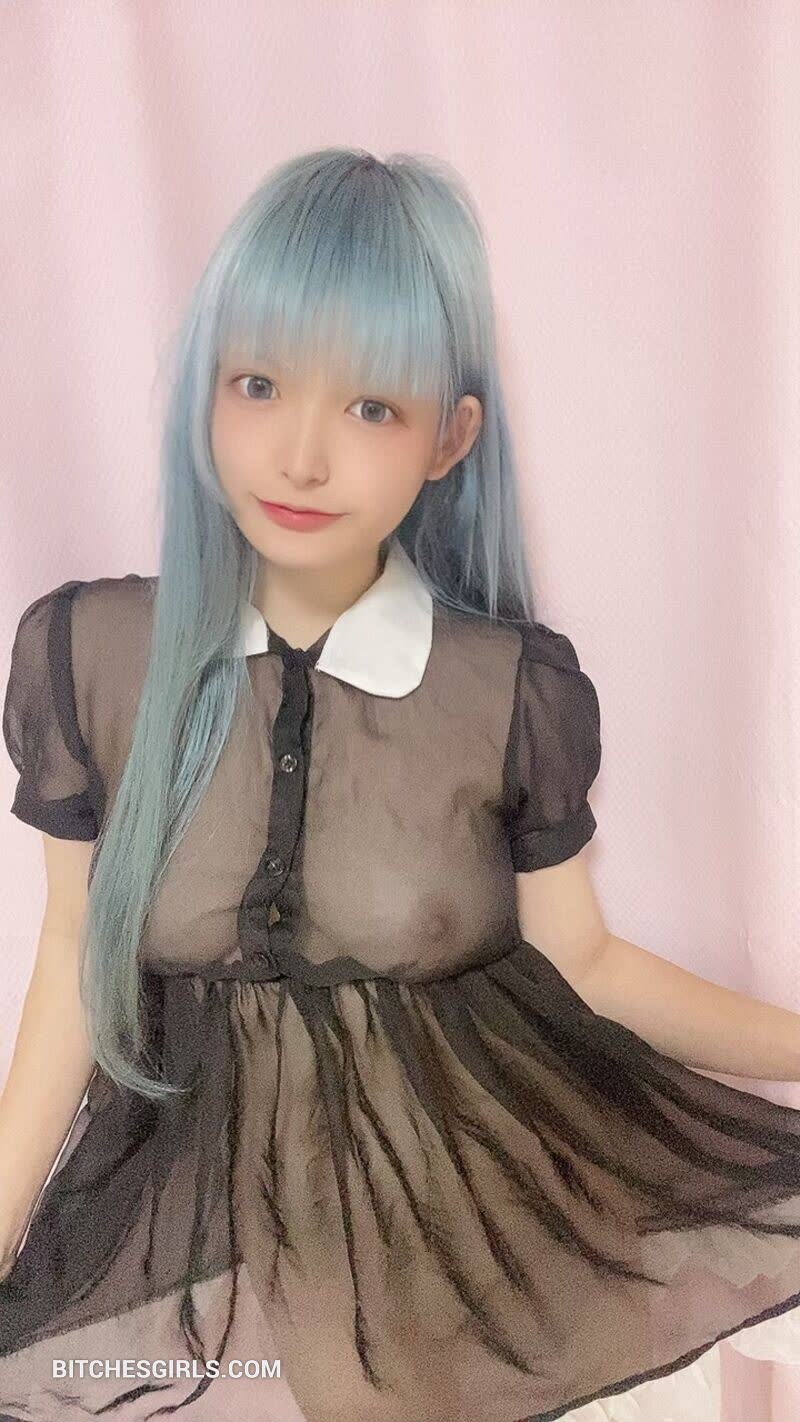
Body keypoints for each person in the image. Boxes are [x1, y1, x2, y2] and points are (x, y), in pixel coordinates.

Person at [1, 146, 800, 1422]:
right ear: (205, 391)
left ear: (449, 439)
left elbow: (585, 966)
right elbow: (67, 959)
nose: (300, 456)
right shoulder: (89, 655)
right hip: (187, 1239)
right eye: (258, 385)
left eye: (371, 407)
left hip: (463, 1229)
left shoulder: (506, 690)